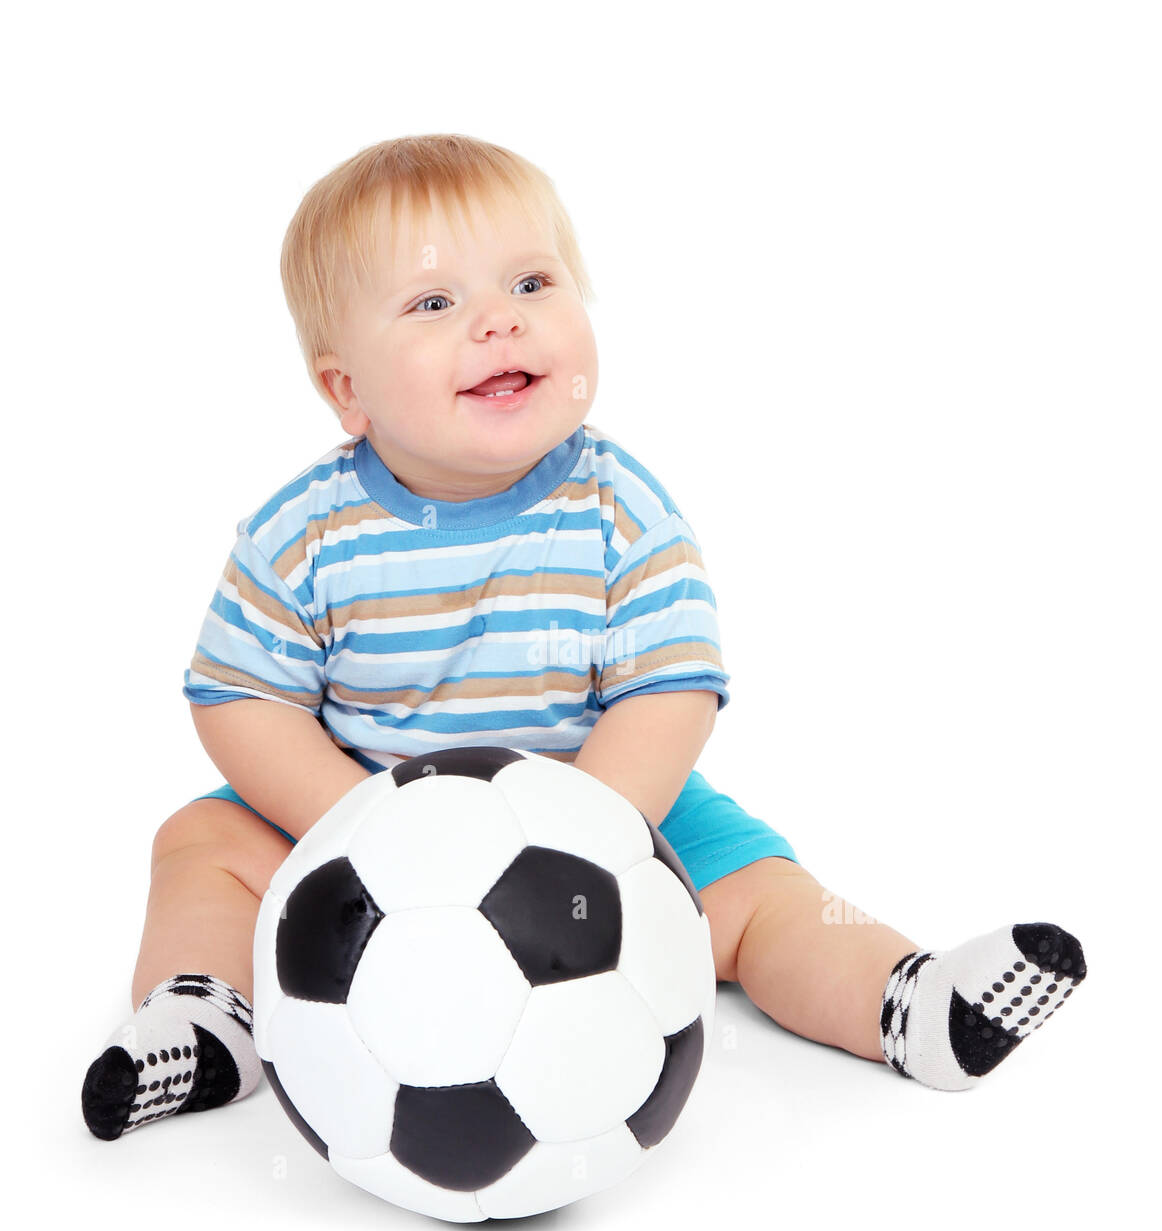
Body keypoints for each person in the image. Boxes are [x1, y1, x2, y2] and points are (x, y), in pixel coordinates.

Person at [82, 134, 1086, 1141]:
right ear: (346, 391)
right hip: (363, 800)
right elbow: (242, 699)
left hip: (606, 801)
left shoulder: (618, 510)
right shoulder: (301, 533)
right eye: (434, 304)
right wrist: (365, 829)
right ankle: (206, 1016)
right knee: (202, 844)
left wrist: (592, 842)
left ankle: (907, 1002)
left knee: (767, 899)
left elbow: (669, 688)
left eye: (531, 281)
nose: (497, 318)